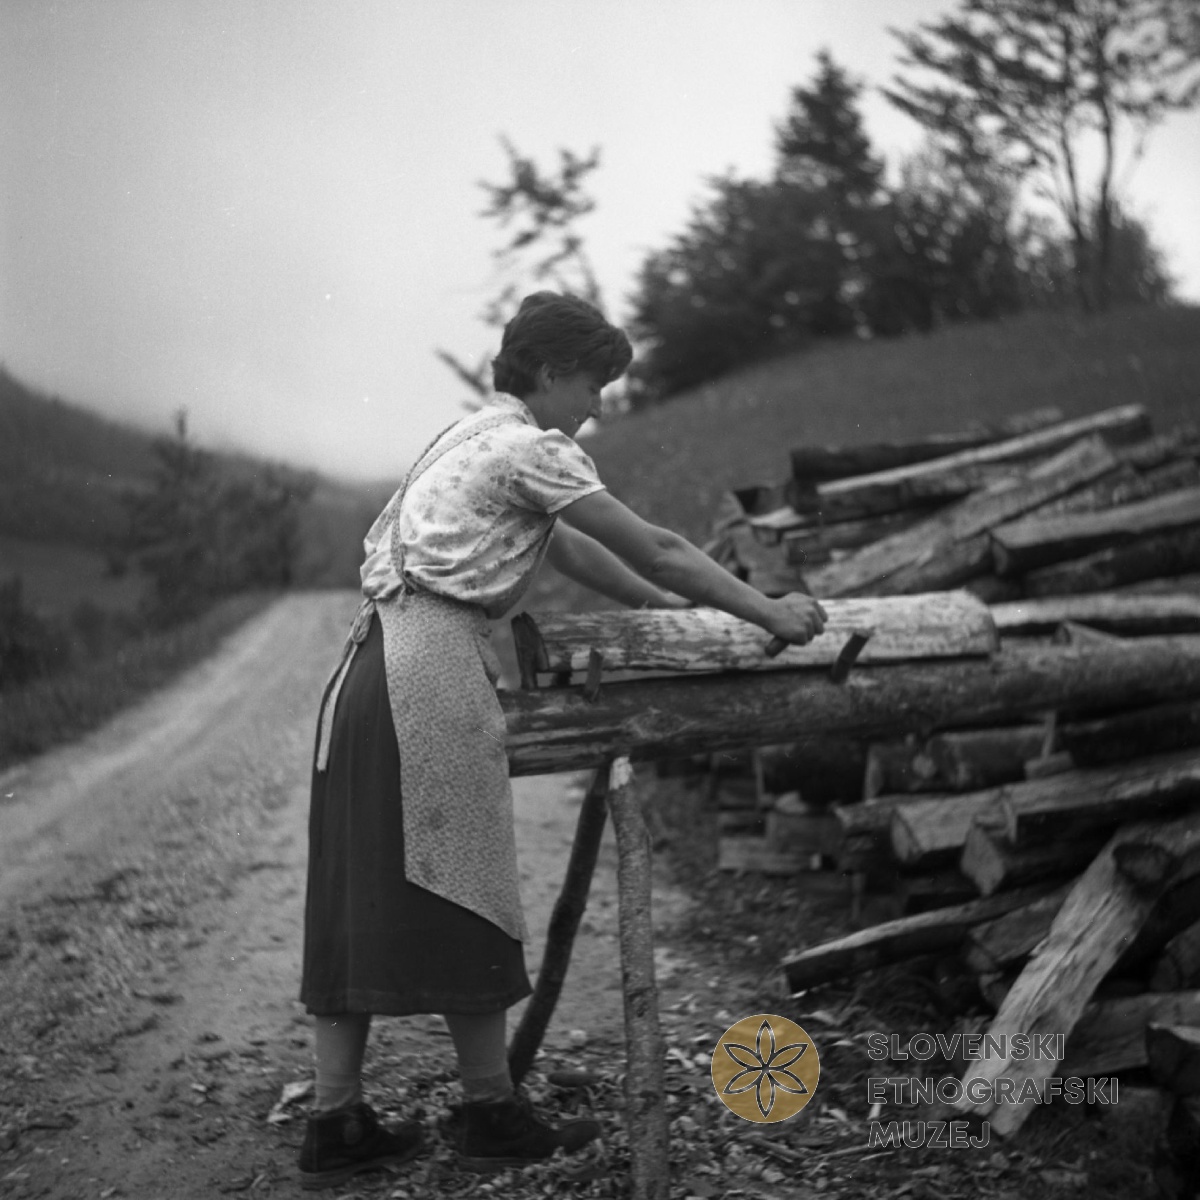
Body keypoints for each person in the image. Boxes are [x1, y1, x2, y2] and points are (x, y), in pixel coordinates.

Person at [296, 292, 827, 1188]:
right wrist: (766, 611)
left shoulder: (464, 439)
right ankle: (489, 1110)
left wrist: (667, 609)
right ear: (550, 374)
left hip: (365, 671)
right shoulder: (532, 448)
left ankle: (335, 1118)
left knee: (361, 887)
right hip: (425, 677)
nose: (597, 406)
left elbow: (575, 552)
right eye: (592, 385)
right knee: (468, 884)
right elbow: (657, 546)